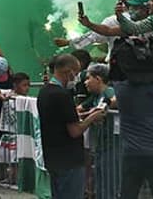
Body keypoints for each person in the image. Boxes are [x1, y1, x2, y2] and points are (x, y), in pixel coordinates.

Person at [37, 54, 106, 199]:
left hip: (52, 157)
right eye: (76, 73)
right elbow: (74, 131)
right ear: (69, 72)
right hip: (69, 160)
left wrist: (82, 115)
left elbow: (59, 119)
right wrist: (92, 117)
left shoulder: (44, 92)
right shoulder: (62, 95)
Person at [78, 64, 117, 199]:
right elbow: (79, 109)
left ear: (98, 79)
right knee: (100, 182)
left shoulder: (108, 92)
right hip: (100, 146)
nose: (85, 82)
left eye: (88, 78)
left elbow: (114, 100)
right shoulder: (94, 97)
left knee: (109, 183)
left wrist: (101, 109)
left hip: (112, 146)